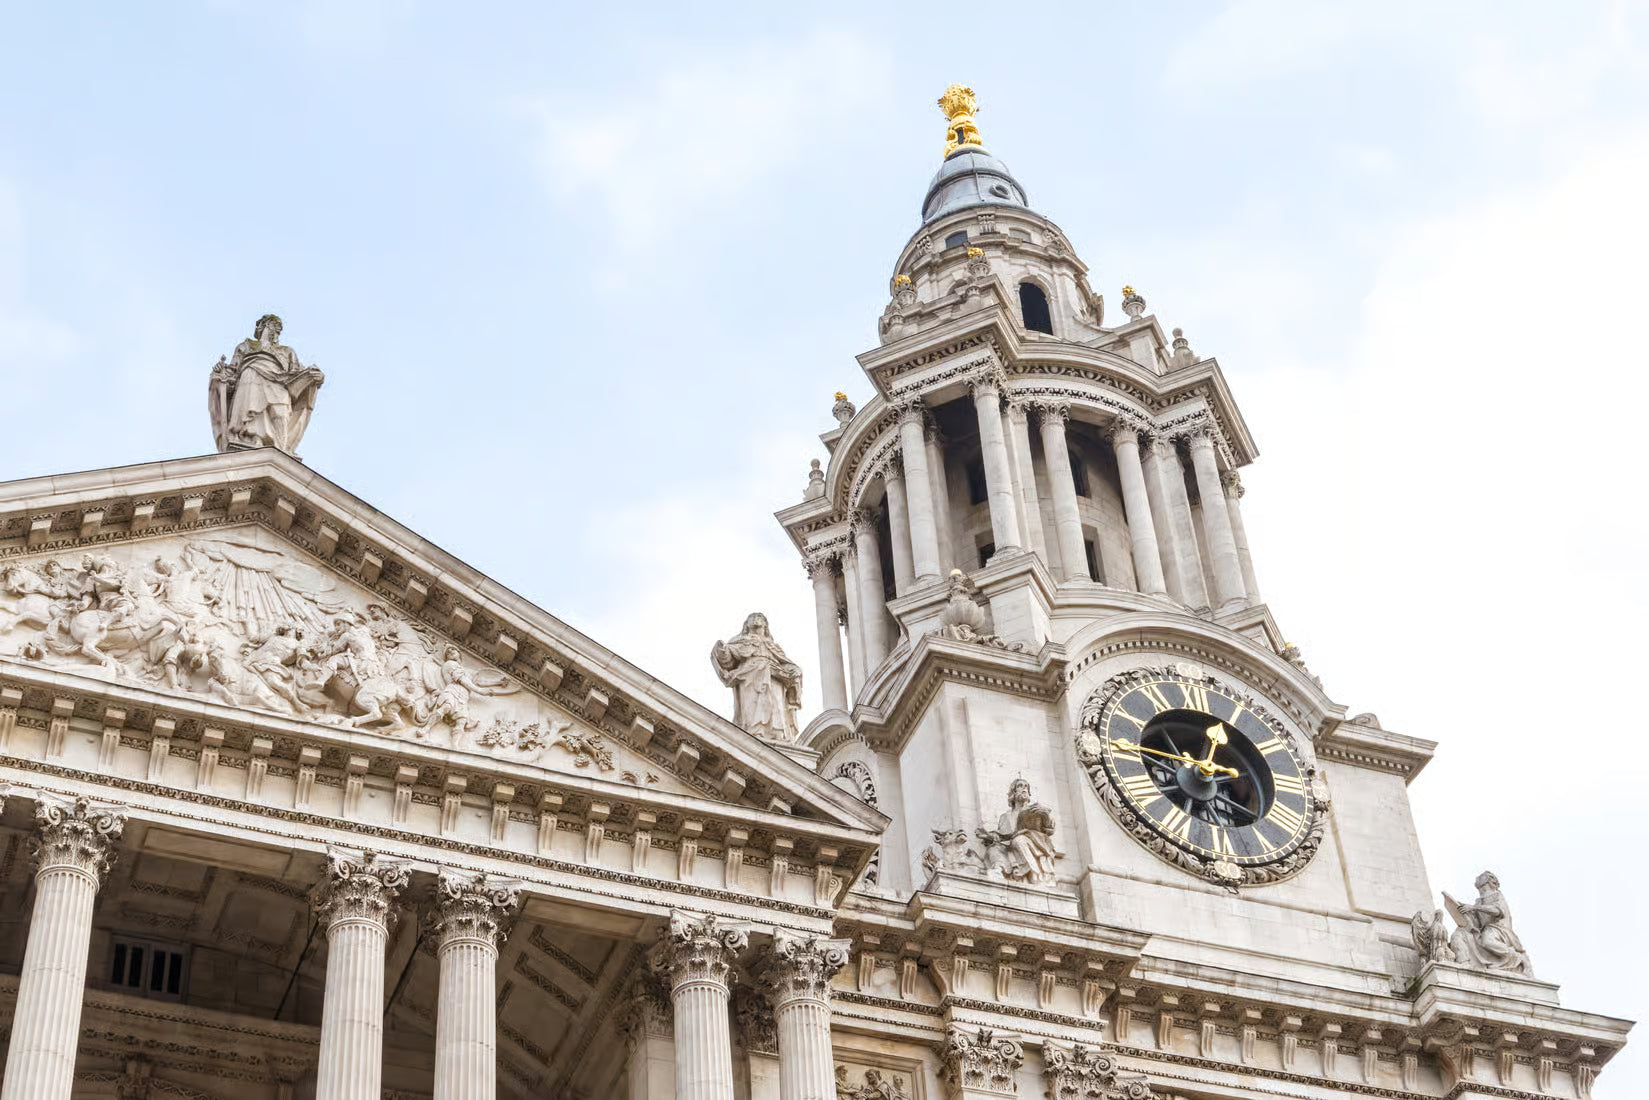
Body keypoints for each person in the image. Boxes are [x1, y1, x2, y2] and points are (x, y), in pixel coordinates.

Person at [209, 314, 325, 452]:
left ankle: (281, 449)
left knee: (281, 413)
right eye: (273, 326)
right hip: (250, 377)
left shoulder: (287, 351)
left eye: (278, 329)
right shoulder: (246, 346)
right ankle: (251, 439)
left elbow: (297, 373)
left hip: (279, 383)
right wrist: (219, 371)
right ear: (262, 326)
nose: (276, 331)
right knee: (252, 412)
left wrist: (315, 376)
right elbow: (232, 372)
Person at [710, 612, 802, 742]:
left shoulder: (773, 646)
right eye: (752, 618)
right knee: (753, 703)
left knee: (775, 703)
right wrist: (722, 650)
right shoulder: (740, 641)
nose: (755, 619)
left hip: (774, 675)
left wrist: (794, 670)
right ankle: (755, 732)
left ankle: (778, 734)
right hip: (750, 675)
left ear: (765, 625)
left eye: (760, 617)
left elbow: (785, 663)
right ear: (746, 624)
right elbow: (728, 658)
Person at [1447, 871, 1534, 975]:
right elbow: (1476, 921)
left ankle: (1518, 958)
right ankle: (1464, 963)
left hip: (1499, 929)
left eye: (1482, 877)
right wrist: (1464, 911)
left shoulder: (1496, 895)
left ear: (1489, 880)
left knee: (1487, 941)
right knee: (1460, 934)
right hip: (1484, 930)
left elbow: (1497, 911)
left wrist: (1474, 907)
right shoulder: (1479, 901)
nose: (1477, 879)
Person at [979, 779, 1059, 884]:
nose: (1024, 788)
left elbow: (1050, 830)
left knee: (1019, 840)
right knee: (993, 849)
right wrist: (989, 836)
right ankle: (999, 869)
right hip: (1012, 842)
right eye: (1020, 786)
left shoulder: (1036, 809)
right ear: (1013, 792)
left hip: (1035, 840)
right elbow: (1003, 835)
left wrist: (1045, 815)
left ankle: (1034, 874)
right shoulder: (1006, 816)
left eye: (1026, 787)